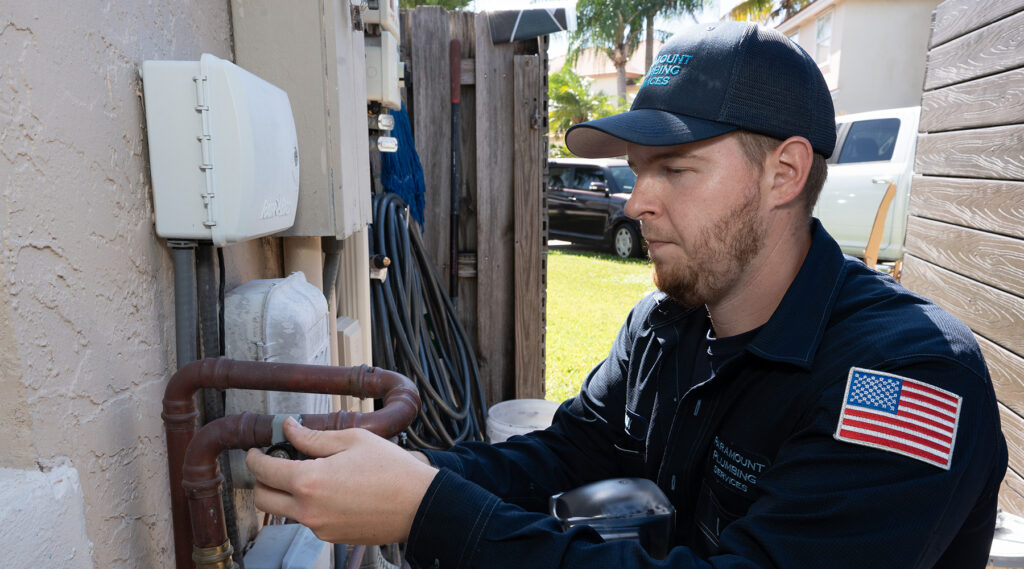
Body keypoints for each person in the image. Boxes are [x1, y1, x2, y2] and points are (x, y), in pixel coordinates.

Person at [247, 21, 1008, 568]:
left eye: (674, 169)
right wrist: (414, 475)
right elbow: (567, 454)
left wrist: (430, 510)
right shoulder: (665, 326)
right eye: (638, 169)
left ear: (784, 172)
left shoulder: (907, 379)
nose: (636, 201)